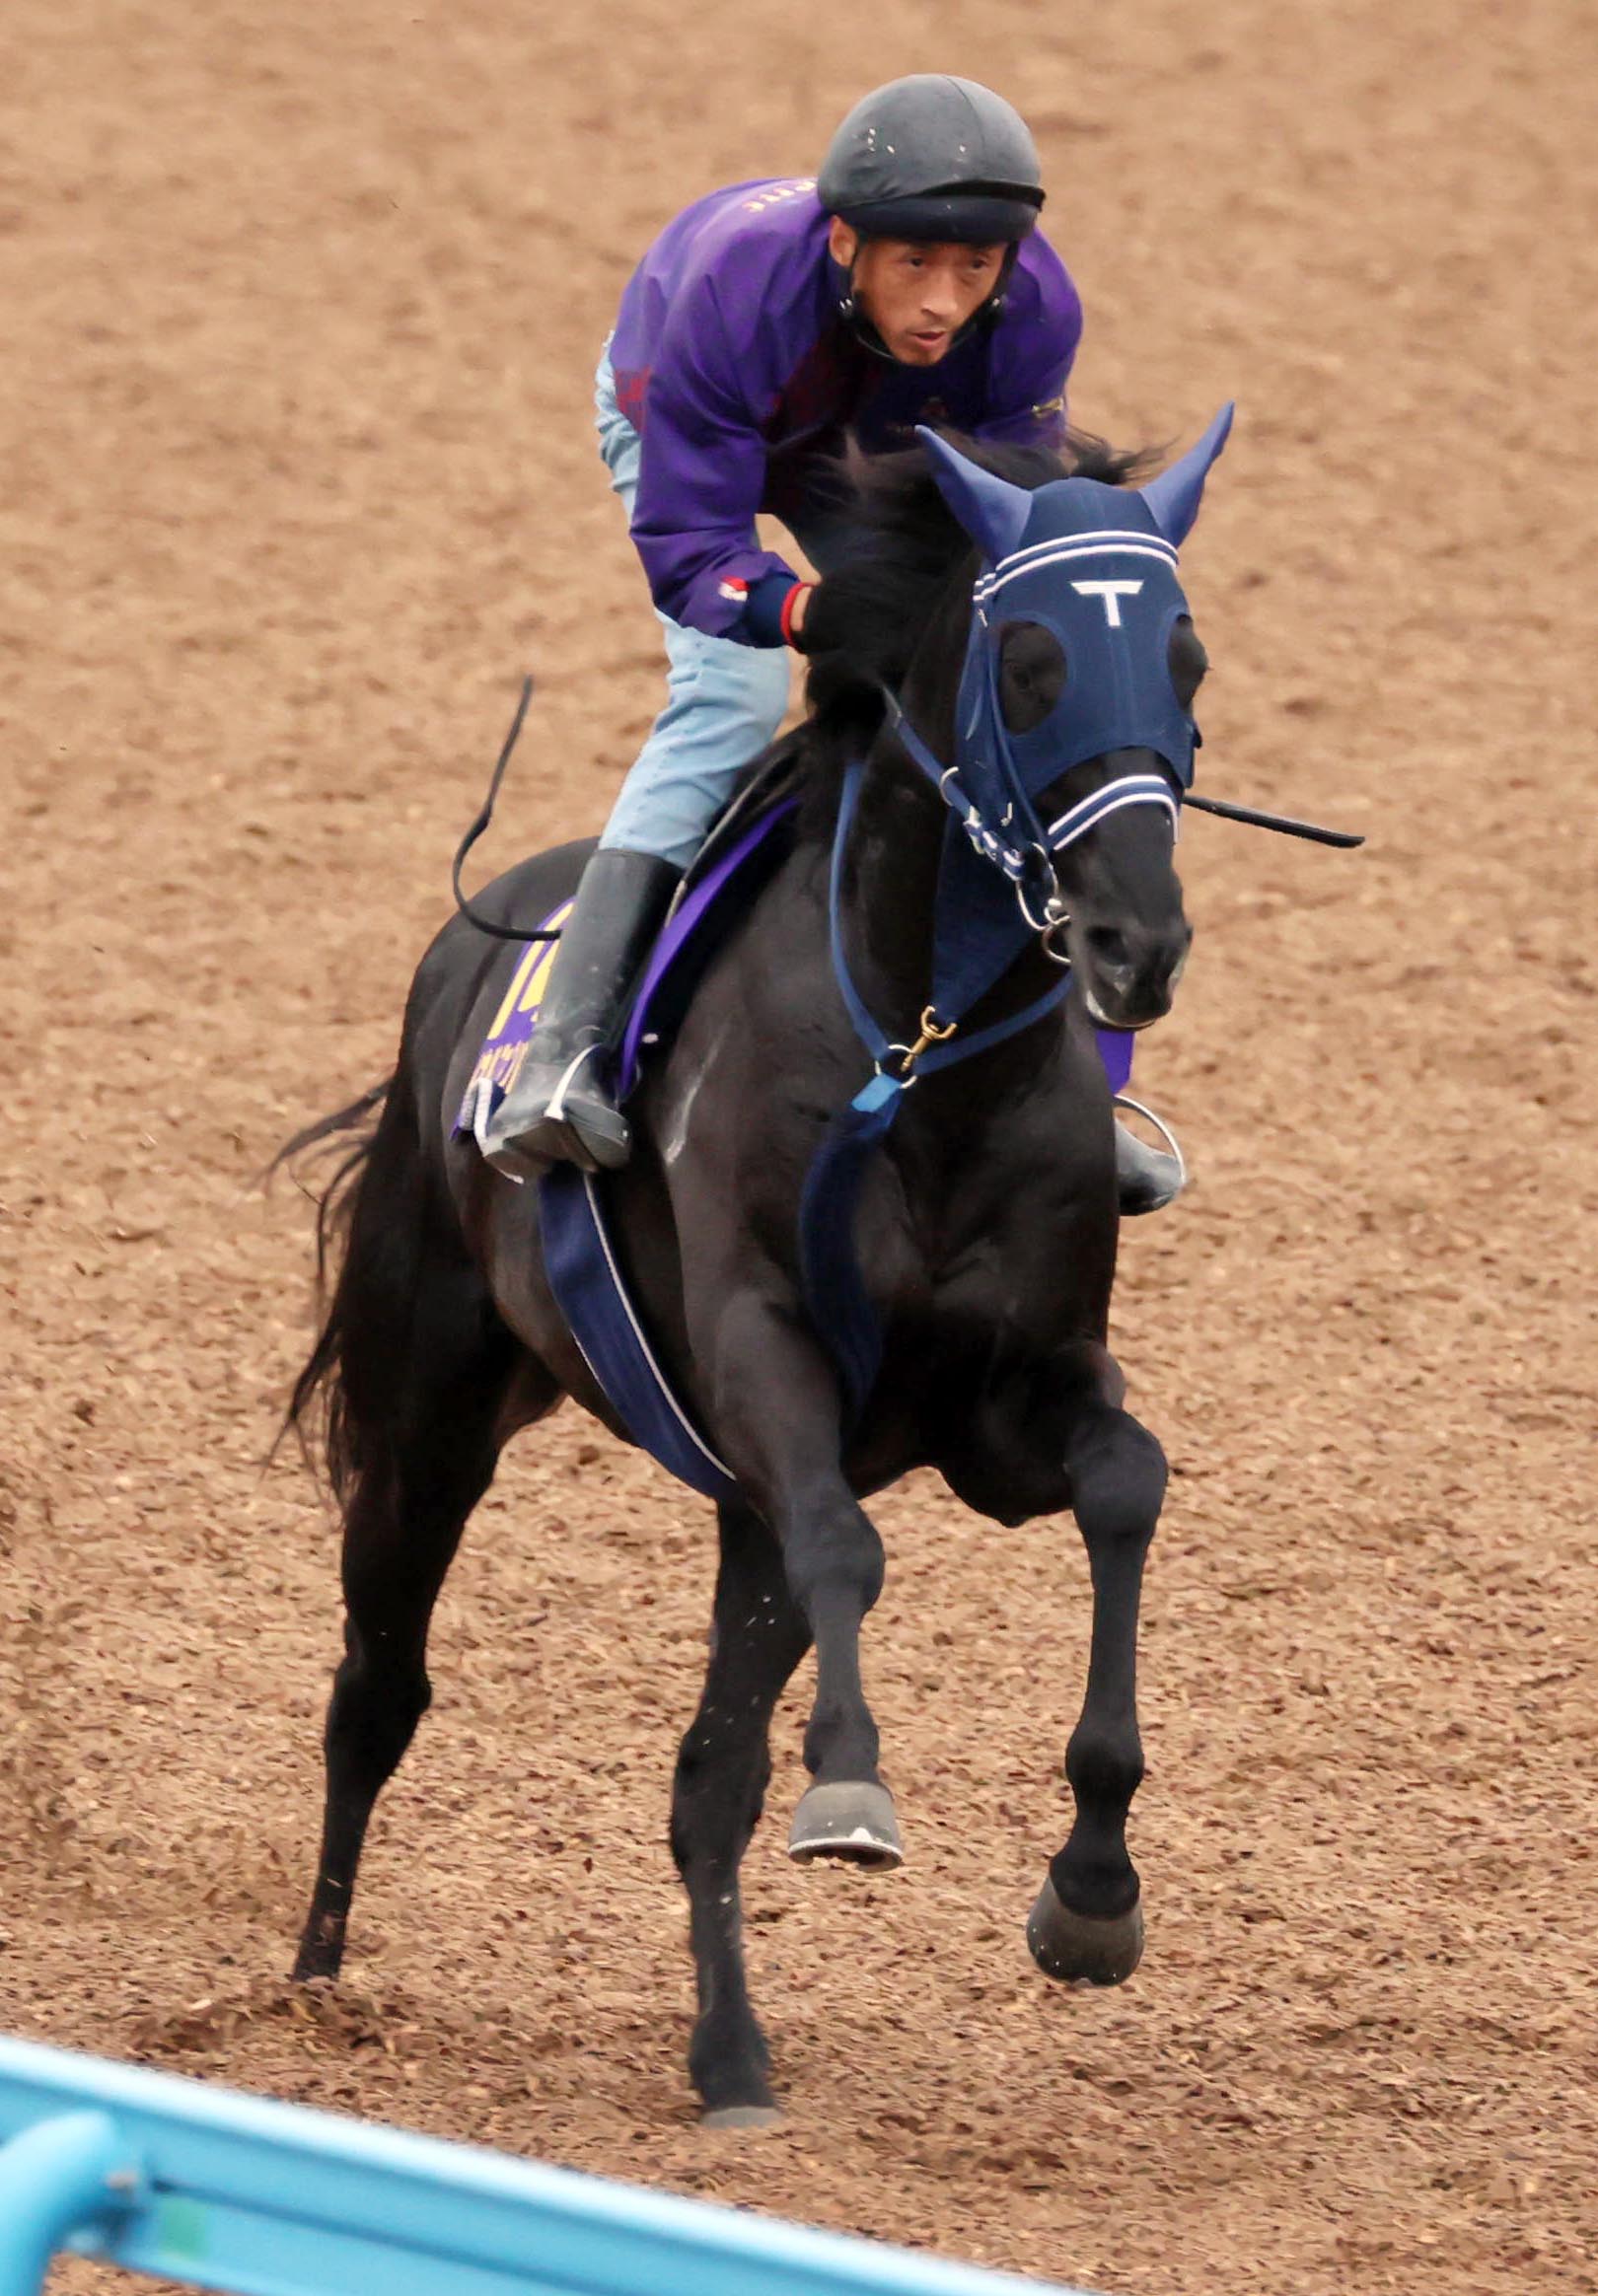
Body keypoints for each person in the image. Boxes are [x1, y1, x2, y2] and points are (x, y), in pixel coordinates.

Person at [485, 74, 1183, 1215]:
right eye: (914, 264)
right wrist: (805, 613)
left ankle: (1077, 1088)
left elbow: (993, 528)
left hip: (877, 432)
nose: (945, 304)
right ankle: (565, 1050)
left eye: (975, 270)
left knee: (974, 697)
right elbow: (692, 542)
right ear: (846, 240)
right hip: (692, 412)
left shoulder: (1038, 313)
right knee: (734, 693)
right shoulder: (734, 293)